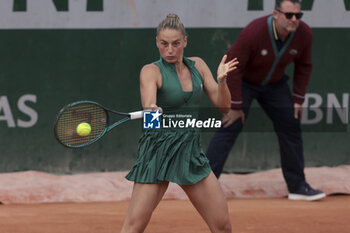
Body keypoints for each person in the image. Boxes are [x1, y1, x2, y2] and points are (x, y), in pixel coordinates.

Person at [120, 14, 238, 233]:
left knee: (222, 226)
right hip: (158, 152)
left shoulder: (199, 66)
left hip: (190, 152)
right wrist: (151, 111)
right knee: (133, 227)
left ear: (185, 41)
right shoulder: (150, 71)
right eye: (164, 44)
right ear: (157, 42)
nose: (170, 50)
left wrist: (222, 82)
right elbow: (150, 113)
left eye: (175, 43)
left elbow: (224, 107)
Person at [206, 0, 326, 201]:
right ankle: (206, 185)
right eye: (289, 15)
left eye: (298, 15)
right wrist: (235, 105)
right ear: (276, 14)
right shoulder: (255, 31)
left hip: (275, 85)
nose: (294, 20)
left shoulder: (304, 34)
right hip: (244, 82)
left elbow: (304, 66)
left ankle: (297, 187)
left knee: (291, 124)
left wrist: (298, 98)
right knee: (230, 123)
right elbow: (232, 65)